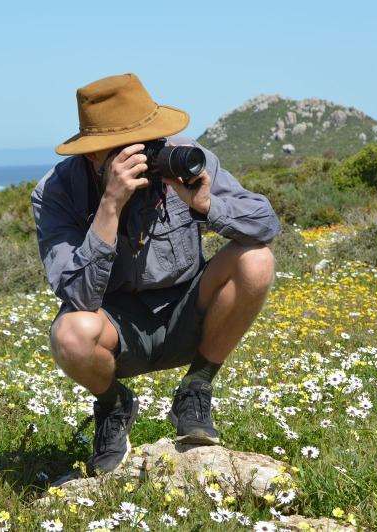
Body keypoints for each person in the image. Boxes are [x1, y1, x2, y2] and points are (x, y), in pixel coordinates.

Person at [31, 73, 281, 476]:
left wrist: (205, 205)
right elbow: (77, 297)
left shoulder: (185, 158)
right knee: (70, 333)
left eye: (153, 141)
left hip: (189, 309)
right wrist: (110, 206)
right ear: (95, 155)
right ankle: (114, 408)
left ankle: (196, 387)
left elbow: (266, 225)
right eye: (133, 148)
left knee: (256, 259)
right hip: (117, 324)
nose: (149, 154)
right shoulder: (55, 192)